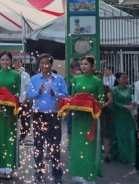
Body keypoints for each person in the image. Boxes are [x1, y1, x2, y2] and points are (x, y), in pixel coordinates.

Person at [26, 53, 67, 184]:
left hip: (54, 115)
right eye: (41, 63)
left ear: (51, 64)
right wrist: (38, 92)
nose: (44, 65)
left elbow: (66, 95)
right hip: (39, 115)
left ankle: (57, 174)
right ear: (39, 65)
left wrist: (56, 94)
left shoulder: (59, 79)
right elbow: (28, 95)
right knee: (38, 144)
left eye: (47, 63)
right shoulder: (34, 79)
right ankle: (39, 170)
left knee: (54, 145)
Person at [70, 55, 104, 184]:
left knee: (89, 146)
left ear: (93, 66)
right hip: (78, 117)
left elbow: (101, 100)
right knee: (77, 146)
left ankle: (89, 176)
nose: (83, 66)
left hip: (91, 118)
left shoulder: (97, 81)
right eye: (82, 64)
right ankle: (77, 175)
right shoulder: (76, 79)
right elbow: (72, 97)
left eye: (86, 64)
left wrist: (92, 102)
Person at [0, 51, 21, 180]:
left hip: (10, 111)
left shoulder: (16, 75)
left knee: (9, 137)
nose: (4, 62)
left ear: (11, 61)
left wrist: (10, 100)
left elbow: (18, 94)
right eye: (2, 60)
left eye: (7, 60)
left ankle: (9, 167)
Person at [111, 72, 136, 163]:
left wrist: (133, 104)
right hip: (118, 115)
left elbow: (132, 99)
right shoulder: (114, 89)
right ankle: (122, 155)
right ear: (118, 80)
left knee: (130, 134)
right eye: (124, 78)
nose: (126, 80)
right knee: (120, 134)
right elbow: (114, 103)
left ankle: (131, 154)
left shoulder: (129, 89)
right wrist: (125, 106)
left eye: (127, 78)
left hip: (128, 115)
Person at [95, 71, 113, 163]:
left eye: (100, 77)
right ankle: (95, 154)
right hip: (93, 113)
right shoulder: (92, 88)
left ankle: (106, 155)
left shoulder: (106, 88)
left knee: (105, 134)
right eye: (97, 77)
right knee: (94, 134)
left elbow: (110, 99)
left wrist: (103, 106)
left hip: (105, 113)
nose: (99, 79)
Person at [14, 58, 31, 142]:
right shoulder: (12, 74)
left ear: (21, 64)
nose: (18, 64)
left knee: (24, 119)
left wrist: (26, 98)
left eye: (19, 63)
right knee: (13, 118)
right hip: (13, 101)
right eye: (16, 63)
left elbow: (28, 87)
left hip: (23, 100)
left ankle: (22, 136)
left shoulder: (25, 75)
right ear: (13, 65)